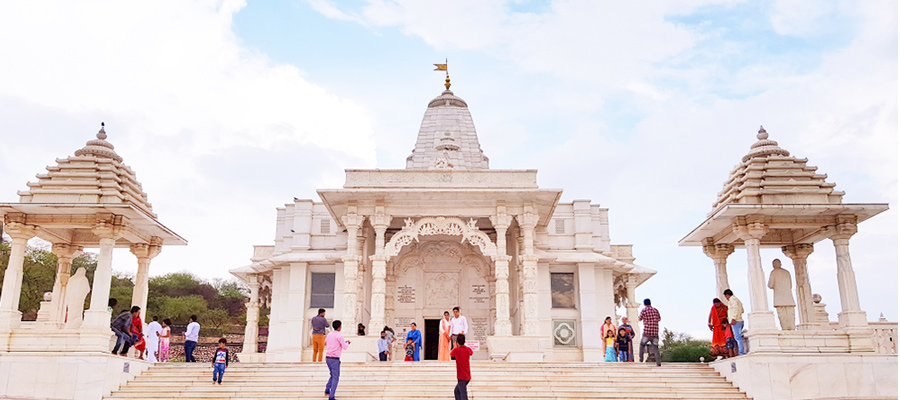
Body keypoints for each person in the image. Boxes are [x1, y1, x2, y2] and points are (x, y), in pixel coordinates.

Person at [324, 320, 350, 400]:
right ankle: (331, 396)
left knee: (332, 374)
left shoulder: (329, 335)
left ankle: (327, 389)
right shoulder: (340, 336)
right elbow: (344, 347)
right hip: (335, 358)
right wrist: (348, 343)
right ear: (339, 327)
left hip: (328, 357)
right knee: (336, 377)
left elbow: (326, 343)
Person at [768, 259, 796, 330]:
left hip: (779, 298)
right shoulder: (787, 272)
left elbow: (770, 285)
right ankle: (792, 327)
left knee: (782, 314)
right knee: (790, 313)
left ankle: (785, 328)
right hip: (788, 297)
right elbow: (791, 285)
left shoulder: (774, 272)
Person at [638, 298, 662, 366]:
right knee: (655, 347)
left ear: (644, 304)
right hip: (655, 332)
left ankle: (641, 359)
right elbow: (659, 319)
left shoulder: (644, 310)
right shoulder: (655, 310)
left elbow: (640, 318)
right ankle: (658, 362)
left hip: (647, 332)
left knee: (642, 345)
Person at [450, 334, 473, 400]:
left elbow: (451, 354)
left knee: (463, 395)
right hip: (467, 375)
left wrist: (454, 346)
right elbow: (471, 353)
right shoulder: (468, 349)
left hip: (461, 376)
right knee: (457, 391)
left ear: (457, 342)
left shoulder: (456, 350)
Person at [723, 289, 745, 355]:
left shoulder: (732, 300)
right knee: (738, 337)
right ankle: (740, 351)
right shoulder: (737, 300)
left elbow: (735, 309)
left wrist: (733, 318)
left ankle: (741, 352)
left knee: (737, 337)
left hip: (736, 320)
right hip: (739, 319)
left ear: (727, 295)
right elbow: (742, 310)